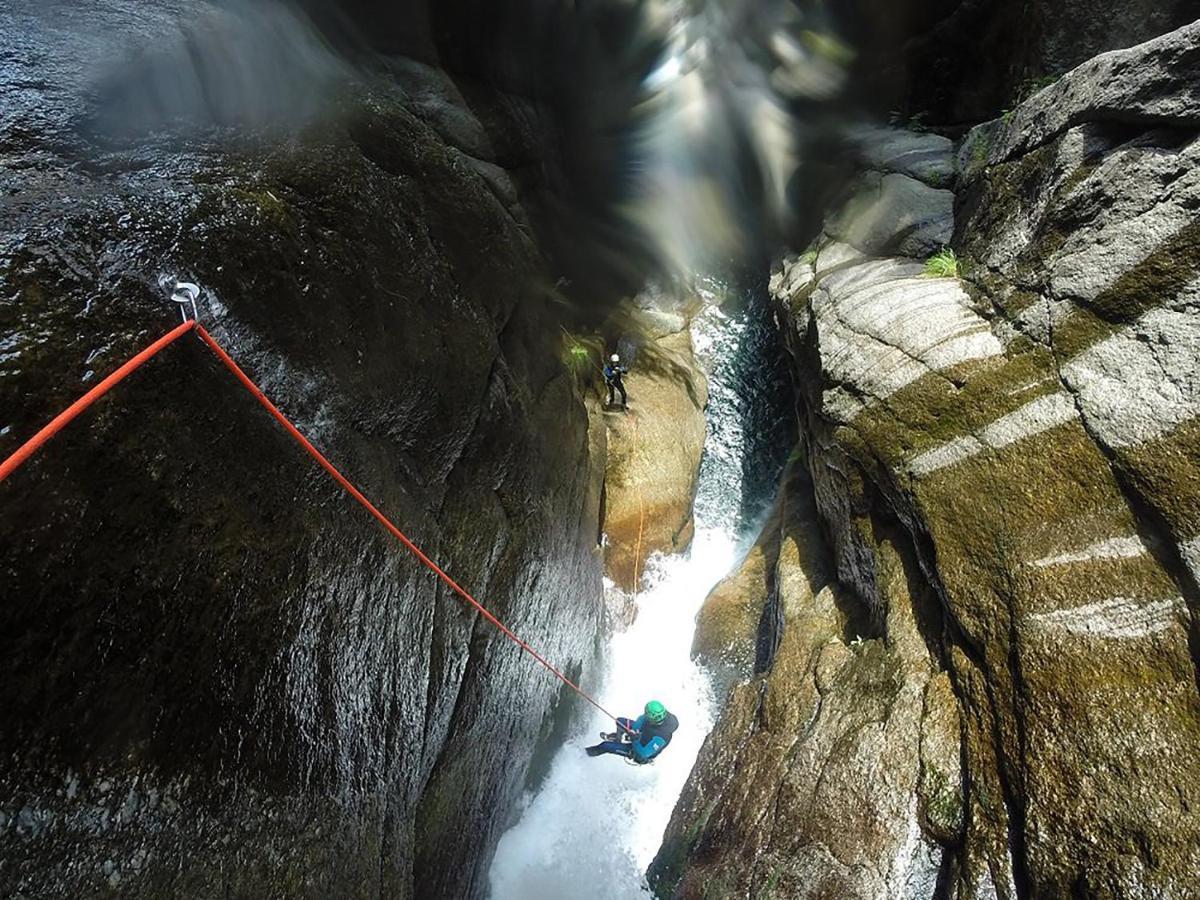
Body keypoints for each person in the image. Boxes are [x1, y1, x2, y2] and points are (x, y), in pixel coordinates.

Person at [586, 700, 678, 763]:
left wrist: (635, 739)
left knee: (605, 746)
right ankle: (617, 740)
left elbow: (644, 753)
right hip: (643, 733)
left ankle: (583, 754)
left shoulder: (661, 738)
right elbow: (642, 719)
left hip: (639, 752)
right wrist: (634, 731)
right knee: (619, 721)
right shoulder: (663, 715)